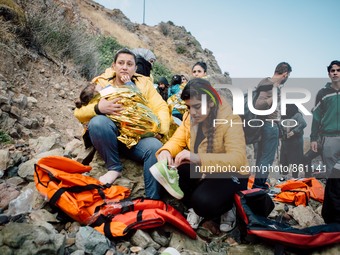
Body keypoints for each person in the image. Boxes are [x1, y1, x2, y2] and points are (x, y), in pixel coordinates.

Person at [150, 78, 249, 231]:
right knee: (176, 173)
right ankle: (194, 207)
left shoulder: (230, 120)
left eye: (197, 106)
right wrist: (166, 151)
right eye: (189, 107)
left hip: (231, 173)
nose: (192, 113)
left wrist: (198, 158)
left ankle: (229, 206)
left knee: (204, 203)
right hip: (205, 170)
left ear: (211, 102)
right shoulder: (189, 117)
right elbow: (177, 139)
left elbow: (237, 158)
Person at [74, 48, 170, 199]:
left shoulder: (144, 83)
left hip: (137, 139)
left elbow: (160, 107)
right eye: (121, 63)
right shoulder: (100, 82)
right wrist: (98, 108)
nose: (125, 67)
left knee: (155, 147)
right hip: (108, 136)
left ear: (135, 68)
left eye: (129, 64)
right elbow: (78, 112)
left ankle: (153, 200)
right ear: (114, 66)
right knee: (98, 122)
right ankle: (114, 168)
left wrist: (161, 130)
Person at [252, 62, 292, 189]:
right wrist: (275, 96)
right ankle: (259, 185)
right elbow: (259, 105)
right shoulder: (271, 85)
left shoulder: (265, 83)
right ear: (285, 74)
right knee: (267, 158)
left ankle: (257, 184)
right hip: (269, 125)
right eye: (288, 76)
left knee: (261, 157)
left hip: (263, 125)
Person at [312, 60, 340, 224]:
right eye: (332, 70)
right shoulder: (322, 93)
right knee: (332, 177)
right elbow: (316, 117)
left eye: (338, 70)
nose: (335, 72)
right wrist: (314, 138)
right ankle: (334, 218)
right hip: (329, 138)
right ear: (329, 74)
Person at [279, 104, 307, 179]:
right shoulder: (283, 117)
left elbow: (303, 124)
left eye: (287, 107)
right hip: (285, 141)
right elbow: (280, 126)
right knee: (284, 160)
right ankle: (284, 177)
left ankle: (295, 177)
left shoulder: (297, 115)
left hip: (295, 141)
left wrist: (293, 132)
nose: (285, 109)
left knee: (295, 160)